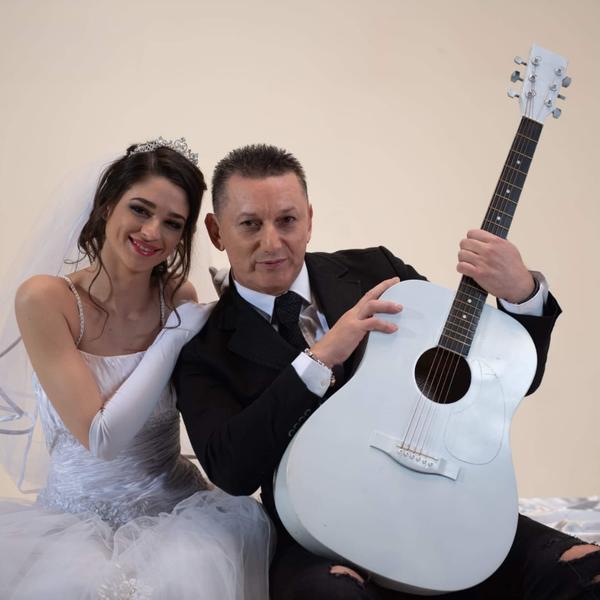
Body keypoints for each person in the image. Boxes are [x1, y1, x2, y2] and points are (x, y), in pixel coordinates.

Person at [175, 143, 600, 599]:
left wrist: (523, 295)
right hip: (319, 535)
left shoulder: (378, 271)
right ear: (216, 231)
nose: (273, 242)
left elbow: (493, 382)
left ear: (310, 219)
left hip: (445, 511)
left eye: (287, 220)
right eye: (250, 224)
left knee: (586, 571)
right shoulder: (203, 349)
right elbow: (232, 471)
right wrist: (319, 359)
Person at [0, 138, 273, 599]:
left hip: (177, 515)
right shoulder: (46, 299)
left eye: (172, 223)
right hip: (72, 527)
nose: (152, 232)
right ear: (107, 206)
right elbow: (101, 438)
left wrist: (240, 310)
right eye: (140, 210)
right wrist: (175, 335)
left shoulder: (178, 298)